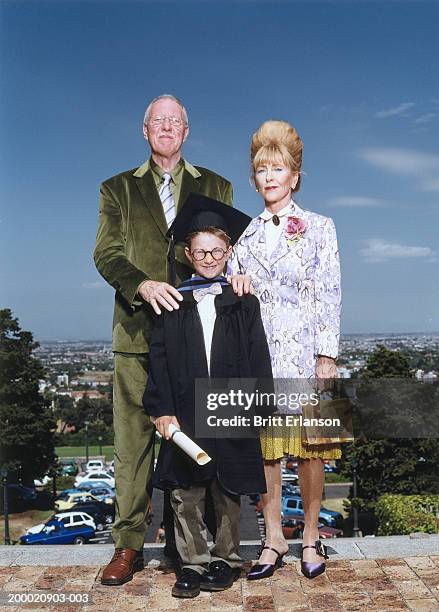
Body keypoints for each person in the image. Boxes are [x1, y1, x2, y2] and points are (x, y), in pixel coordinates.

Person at [94, 94, 234, 586]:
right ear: (145, 130)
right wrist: (142, 284)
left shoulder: (216, 185)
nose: (167, 127)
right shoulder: (116, 189)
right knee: (132, 447)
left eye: (175, 121)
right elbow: (106, 254)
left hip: (197, 338)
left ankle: (191, 548)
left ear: (187, 131)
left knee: (196, 443)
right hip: (135, 336)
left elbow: (223, 251)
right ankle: (127, 546)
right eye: (159, 120)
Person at [143, 195, 274, 598]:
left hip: (231, 403)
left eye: (217, 250)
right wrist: (162, 409)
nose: (209, 257)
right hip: (185, 405)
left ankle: (227, 559)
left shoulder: (242, 301)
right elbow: (159, 360)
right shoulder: (172, 303)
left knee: (228, 487)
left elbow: (257, 354)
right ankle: (193, 562)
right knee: (187, 491)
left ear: (228, 251)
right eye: (200, 251)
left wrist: (261, 405)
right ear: (188, 253)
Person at [227, 120, 342, 580]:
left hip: (310, 357)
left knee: (312, 451)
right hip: (261, 361)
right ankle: (273, 538)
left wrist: (327, 356)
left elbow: (330, 291)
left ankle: (311, 538)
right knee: (267, 454)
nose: (270, 177)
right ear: (253, 180)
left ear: (295, 176)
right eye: (262, 170)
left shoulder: (320, 227)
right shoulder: (243, 236)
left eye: (279, 168)